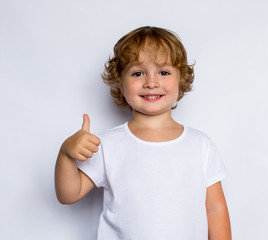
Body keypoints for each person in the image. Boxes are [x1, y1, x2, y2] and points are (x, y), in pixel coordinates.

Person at [55, 26, 231, 240]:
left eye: (164, 72)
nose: (151, 82)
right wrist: (65, 155)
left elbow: (215, 208)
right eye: (138, 73)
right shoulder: (107, 144)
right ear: (120, 82)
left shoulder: (200, 145)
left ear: (181, 79)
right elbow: (68, 194)